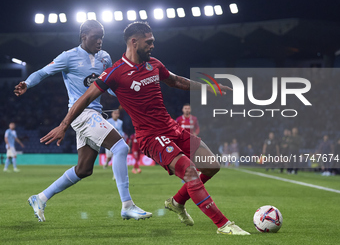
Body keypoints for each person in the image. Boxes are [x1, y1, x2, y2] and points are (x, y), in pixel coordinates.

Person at [41, 21, 249, 235]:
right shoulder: (115, 73)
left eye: (153, 42)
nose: (152, 46)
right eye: (148, 42)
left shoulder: (154, 64)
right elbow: (84, 99)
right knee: (189, 171)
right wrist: (64, 125)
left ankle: (177, 202)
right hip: (151, 137)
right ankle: (223, 225)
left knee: (212, 165)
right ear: (134, 42)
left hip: (172, 129)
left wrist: (210, 87)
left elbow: (176, 81)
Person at [14, 20, 151, 222]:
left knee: (84, 169)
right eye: (96, 37)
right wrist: (27, 83)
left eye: (102, 37)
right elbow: (43, 72)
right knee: (121, 148)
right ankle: (127, 205)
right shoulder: (68, 56)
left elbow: (109, 84)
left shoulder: (105, 57)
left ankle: (40, 198)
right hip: (81, 114)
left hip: (94, 114)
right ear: (84, 36)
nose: (100, 41)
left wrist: (127, 91)